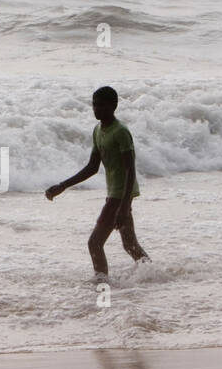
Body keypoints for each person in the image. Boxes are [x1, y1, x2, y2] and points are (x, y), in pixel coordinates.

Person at [45, 86, 149, 277]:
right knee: (129, 244)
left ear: (114, 106)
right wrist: (63, 185)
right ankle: (153, 274)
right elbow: (92, 167)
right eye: (94, 105)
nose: (96, 109)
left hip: (120, 194)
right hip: (115, 193)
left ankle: (101, 282)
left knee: (95, 243)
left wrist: (124, 206)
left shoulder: (121, 132)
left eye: (101, 105)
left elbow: (130, 170)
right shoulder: (98, 130)